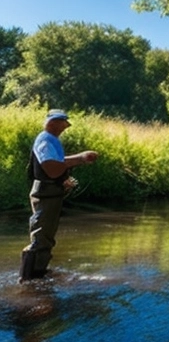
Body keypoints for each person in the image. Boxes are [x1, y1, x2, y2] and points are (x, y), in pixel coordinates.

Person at [19, 109, 98, 282]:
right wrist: (80, 158)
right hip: (46, 194)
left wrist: (64, 180)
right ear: (52, 123)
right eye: (62, 124)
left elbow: (55, 166)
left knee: (45, 236)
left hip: (50, 192)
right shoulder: (45, 139)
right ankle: (29, 281)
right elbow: (50, 166)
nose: (64, 128)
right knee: (41, 237)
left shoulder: (51, 140)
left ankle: (36, 275)